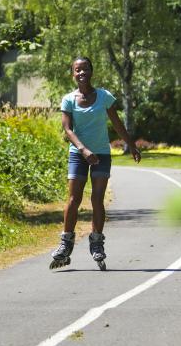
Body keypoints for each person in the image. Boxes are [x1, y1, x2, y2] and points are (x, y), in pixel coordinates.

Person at [50, 56, 141, 270]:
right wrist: (83, 150)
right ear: (73, 74)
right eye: (77, 70)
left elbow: (117, 123)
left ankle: (97, 243)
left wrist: (131, 145)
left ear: (91, 71)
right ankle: (66, 243)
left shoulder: (104, 96)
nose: (81, 73)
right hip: (78, 153)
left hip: (101, 153)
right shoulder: (68, 100)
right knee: (74, 198)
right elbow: (67, 129)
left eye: (85, 69)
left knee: (97, 198)